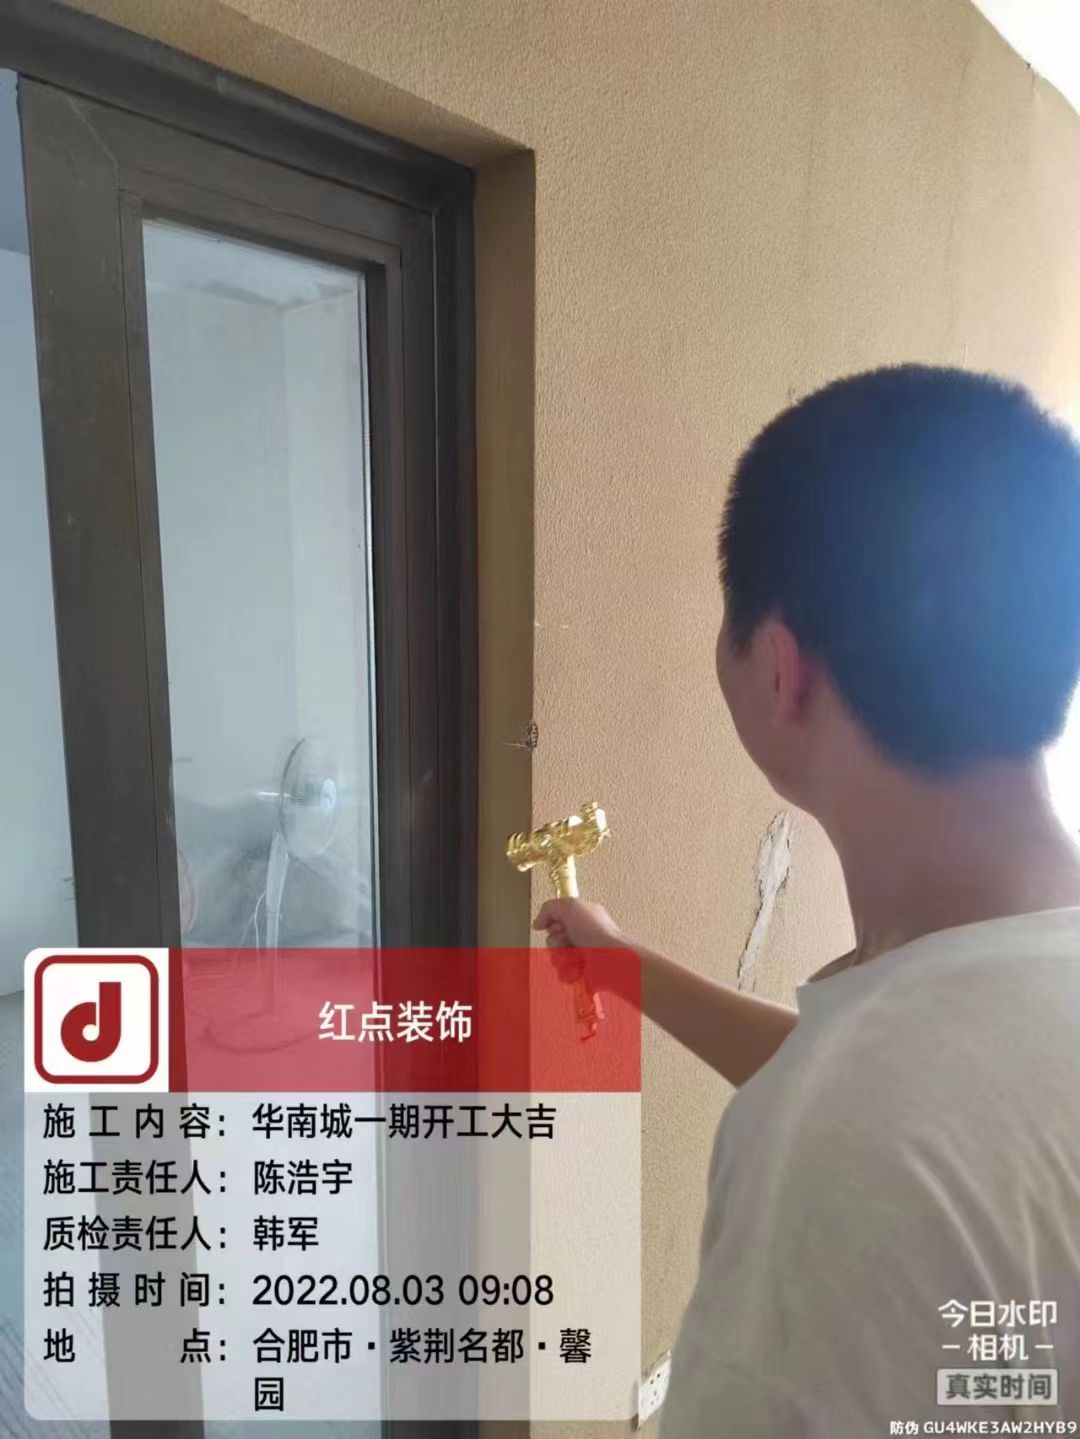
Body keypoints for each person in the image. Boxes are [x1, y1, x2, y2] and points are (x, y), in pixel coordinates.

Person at [535, 365, 1080, 1435]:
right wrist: (627, 968)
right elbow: (920, 1075)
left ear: (781, 666)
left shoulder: (842, 1154)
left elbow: (880, 1103)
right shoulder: (1000, 997)